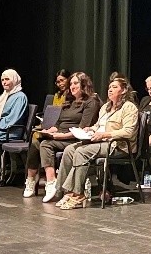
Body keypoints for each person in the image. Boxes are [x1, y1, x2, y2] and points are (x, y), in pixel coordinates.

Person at [55, 76, 139, 209]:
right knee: (70, 149)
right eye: (109, 87)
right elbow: (99, 125)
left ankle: (78, 193)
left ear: (123, 91)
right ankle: (65, 191)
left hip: (118, 146)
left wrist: (105, 135)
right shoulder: (106, 107)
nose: (110, 90)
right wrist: (90, 129)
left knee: (81, 152)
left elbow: (128, 132)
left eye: (115, 87)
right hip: (100, 142)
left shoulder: (129, 107)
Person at [26, 72, 100, 200]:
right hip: (60, 136)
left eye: (75, 83)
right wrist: (50, 131)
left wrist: (59, 136)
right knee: (36, 141)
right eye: (71, 83)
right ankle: (31, 179)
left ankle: (50, 182)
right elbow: (58, 124)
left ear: (84, 84)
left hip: (75, 138)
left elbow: (82, 129)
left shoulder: (90, 101)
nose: (72, 86)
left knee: (45, 144)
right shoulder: (69, 101)